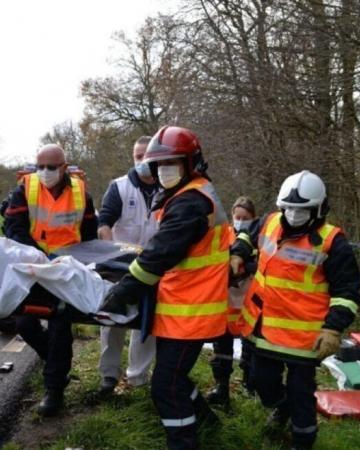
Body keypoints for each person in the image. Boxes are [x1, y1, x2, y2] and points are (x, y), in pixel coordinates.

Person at [102, 126, 234, 450]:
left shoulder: (190, 202)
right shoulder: (194, 192)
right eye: (158, 165)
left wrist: (122, 292)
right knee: (175, 376)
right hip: (186, 305)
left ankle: (183, 440)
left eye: (171, 163)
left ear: (191, 163)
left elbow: (159, 255)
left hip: (191, 310)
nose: (164, 171)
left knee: (166, 386)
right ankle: (207, 422)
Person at [230, 170, 360, 450]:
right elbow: (245, 236)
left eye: (301, 210)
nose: (293, 214)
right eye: (288, 208)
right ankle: (281, 406)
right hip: (264, 329)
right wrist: (237, 254)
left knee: (302, 393)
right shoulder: (269, 222)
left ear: (318, 209)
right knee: (261, 383)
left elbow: (347, 291)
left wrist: (333, 328)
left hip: (305, 338)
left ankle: (302, 440)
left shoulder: (332, 242)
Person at [3, 143, 97, 416]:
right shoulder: (25, 189)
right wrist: (38, 255)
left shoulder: (81, 193)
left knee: (59, 328)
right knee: (24, 323)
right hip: (34, 266)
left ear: (64, 168)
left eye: (51, 167)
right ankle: (54, 363)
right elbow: (13, 227)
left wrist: (85, 266)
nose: (45, 172)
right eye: (40, 166)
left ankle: (54, 390)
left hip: (67, 270)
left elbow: (89, 235)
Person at [96, 136, 158, 395]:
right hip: (121, 267)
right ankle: (109, 375)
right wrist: (112, 254)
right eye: (137, 156)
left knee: (147, 322)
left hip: (155, 266)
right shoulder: (119, 187)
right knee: (112, 319)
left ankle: (138, 376)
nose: (142, 160)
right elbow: (104, 224)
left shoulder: (168, 189)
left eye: (147, 155)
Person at [206, 196, 258, 406]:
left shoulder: (259, 236)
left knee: (250, 347)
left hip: (249, 300)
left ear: (253, 218)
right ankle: (222, 387)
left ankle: (249, 385)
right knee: (222, 347)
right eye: (237, 217)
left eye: (245, 218)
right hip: (226, 300)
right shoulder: (224, 234)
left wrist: (248, 266)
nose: (240, 221)